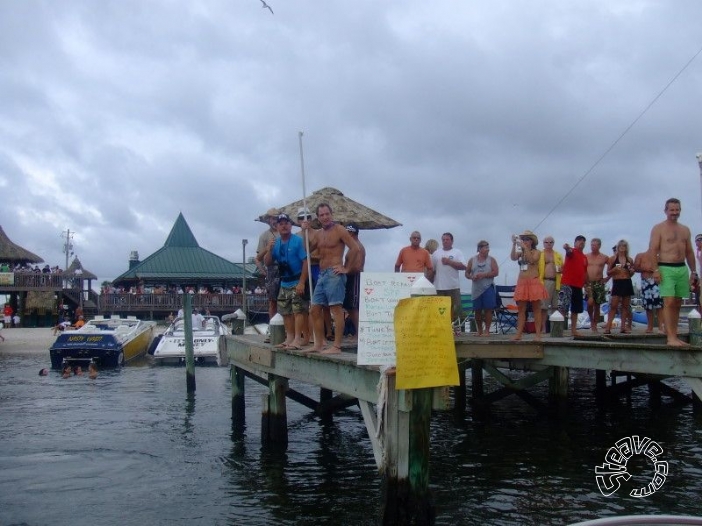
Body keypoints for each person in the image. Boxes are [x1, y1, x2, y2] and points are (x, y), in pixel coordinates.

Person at [305, 203, 360, 354]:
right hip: (322, 275)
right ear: (318, 217)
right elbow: (307, 249)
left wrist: (346, 268)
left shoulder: (339, 229)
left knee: (336, 309)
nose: (325, 217)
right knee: (314, 310)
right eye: (321, 215)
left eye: (327, 214)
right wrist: (306, 230)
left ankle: (336, 346)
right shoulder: (318, 233)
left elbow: (355, 248)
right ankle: (319, 343)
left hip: (335, 274)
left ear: (331, 214)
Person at [648, 197, 696, 346]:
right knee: (668, 301)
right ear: (665, 211)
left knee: (677, 302)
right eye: (672, 210)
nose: (674, 213)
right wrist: (655, 270)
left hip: (681, 267)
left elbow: (689, 252)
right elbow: (653, 249)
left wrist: (693, 271)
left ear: (680, 210)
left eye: (677, 210)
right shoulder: (659, 228)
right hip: (665, 266)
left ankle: (674, 335)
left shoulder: (685, 229)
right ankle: (670, 338)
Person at [264, 213, 310, 350]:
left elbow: (305, 261)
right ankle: (289, 338)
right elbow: (267, 262)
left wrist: (302, 282)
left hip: (297, 279)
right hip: (284, 281)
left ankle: (297, 338)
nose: (284, 226)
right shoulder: (276, 242)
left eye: (286, 223)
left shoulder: (297, 240)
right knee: (285, 311)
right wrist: (268, 250)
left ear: (290, 225)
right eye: (281, 223)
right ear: (277, 226)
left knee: (298, 311)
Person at [510, 231, 548, 341]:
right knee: (521, 309)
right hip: (522, 282)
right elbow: (512, 257)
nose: (524, 241)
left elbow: (532, 260)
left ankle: (538, 334)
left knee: (536, 308)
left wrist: (525, 248)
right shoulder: (520, 253)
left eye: (526, 239)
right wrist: (514, 244)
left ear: (531, 241)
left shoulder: (537, 252)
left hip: (533, 281)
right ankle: (518, 334)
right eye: (523, 239)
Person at [428, 233, 466, 325]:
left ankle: (450, 327)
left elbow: (463, 266)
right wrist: (429, 283)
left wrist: (449, 262)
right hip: (439, 286)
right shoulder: (436, 254)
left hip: (453, 285)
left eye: (447, 239)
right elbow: (432, 270)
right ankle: (441, 327)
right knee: (439, 308)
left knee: (453, 307)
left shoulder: (457, 252)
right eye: (443, 240)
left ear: (452, 241)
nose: (445, 241)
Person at [465, 240, 498, 336]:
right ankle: (479, 330)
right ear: (479, 249)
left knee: (488, 309)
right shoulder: (472, 260)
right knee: (477, 310)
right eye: (485, 247)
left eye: (488, 247)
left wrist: (484, 275)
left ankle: (487, 331)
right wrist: (471, 277)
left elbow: (496, 272)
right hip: (476, 288)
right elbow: (467, 273)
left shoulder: (492, 260)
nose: (487, 249)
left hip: (488, 287)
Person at [255, 208, 281, 335]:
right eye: (272, 218)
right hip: (271, 269)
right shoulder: (264, 236)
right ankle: (273, 328)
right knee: (272, 301)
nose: (274, 220)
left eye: (276, 218)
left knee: (287, 300)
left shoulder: (285, 232)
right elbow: (258, 257)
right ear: (268, 220)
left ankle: (286, 328)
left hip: (286, 268)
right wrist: (263, 272)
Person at [604, 240, 635, 334]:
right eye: (620, 246)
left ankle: (623, 327)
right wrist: (615, 269)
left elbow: (631, 273)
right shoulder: (613, 259)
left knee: (625, 306)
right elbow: (608, 272)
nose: (622, 248)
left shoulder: (629, 259)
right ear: (618, 247)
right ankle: (608, 327)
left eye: (624, 246)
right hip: (617, 282)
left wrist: (632, 272)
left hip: (627, 281)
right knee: (614, 305)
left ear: (626, 248)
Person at [559, 235, 588, 337]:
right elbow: (568, 252)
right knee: (563, 307)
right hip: (567, 284)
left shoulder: (584, 257)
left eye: (583, 241)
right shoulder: (572, 251)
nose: (582, 243)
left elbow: (585, 272)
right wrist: (566, 247)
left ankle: (574, 330)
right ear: (575, 242)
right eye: (579, 241)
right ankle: (559, 330)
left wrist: (587, 285)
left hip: (579, 285)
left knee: (576, 309)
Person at [342, 224, 365, 341]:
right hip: (351, 277)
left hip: (355, 277)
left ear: (351, 233)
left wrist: (345, 270)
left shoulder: (358, 247)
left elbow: (357, 266)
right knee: (349, 306)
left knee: (353, 306)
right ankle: (357, 331)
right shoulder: (353, 246)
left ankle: (359, 333)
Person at [634, 248, 664, 333]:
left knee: (659, 305)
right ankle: (650, 327)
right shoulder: (640, 255)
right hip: (645, 281)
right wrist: (645, 268)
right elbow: (635, 267)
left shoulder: (659, 257)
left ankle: (661, 326)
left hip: (656, 281)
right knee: (648, 306)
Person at [538, 236, 563, 333]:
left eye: (550, 242)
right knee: (543, 307)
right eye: (546, 242)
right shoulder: (540, 254)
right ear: (543, 243)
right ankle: (543, 328)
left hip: (556, 281)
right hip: (545, 281)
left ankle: (554, 328)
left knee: (555, 306)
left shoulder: (558, 255)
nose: (548, 244)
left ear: (553, 243)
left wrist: (562, 269)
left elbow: (563, 267)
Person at [585, 238, 609, 333]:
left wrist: (607, 278)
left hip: (599, 282)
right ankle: (591, 320)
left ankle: (594, 323)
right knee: (590, 303)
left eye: (595, 245)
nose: (593, 247)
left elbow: (614, 265)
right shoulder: (586, 256)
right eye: (591, 245)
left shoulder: (604, 257)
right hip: (588, 282)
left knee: (597, 305)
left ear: (599, 246)